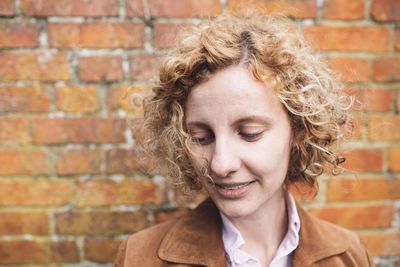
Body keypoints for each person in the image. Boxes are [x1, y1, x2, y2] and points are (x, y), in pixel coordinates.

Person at [114, 14, 374, 267]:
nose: (220, 164)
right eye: (200, 137)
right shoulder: (138, 258)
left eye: (250, 133)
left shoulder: (351, 255)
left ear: (298, 130)